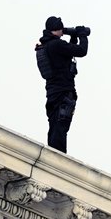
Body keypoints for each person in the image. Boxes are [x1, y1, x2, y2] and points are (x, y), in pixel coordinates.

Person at [36, 16, 89, 154]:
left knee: (54, 127)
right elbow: (82, 51)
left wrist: (73, 37)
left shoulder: (45, 46)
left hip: (52, 94)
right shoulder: (57, 45)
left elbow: (65, 56)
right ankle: (58, 160)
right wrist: (82, 34)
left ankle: (53, 156)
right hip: (63, 93)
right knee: (60, 129)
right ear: (57, 29)